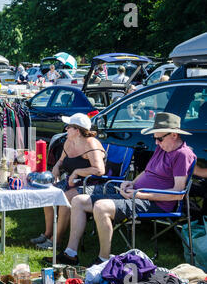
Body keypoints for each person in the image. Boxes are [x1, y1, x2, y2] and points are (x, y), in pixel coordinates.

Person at [53, 112, 196, 267]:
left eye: (159, 138)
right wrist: (131, 183)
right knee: (78, 200)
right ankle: (70, 254)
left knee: (101, 207)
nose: (156, 142)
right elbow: (147, 171)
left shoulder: (182, 154)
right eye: (155, 138)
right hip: (135, 194)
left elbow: (177, 194)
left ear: (174, 135)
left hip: (154, 203)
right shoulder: (163, 148)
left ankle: (103, 260)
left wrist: (140, 194)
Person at [31, 113, 106, 254]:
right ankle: (47, 233)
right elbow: (61, 160)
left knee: (65, 199)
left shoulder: (91, 144)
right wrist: (56, 167)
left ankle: (56, 240)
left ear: (77, 130)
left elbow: (99, 170)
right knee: (48, 193)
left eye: (68, 127)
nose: (66, 129)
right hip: (72, 181)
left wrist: (77, 171)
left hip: (91, 184)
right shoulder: (69, 141)